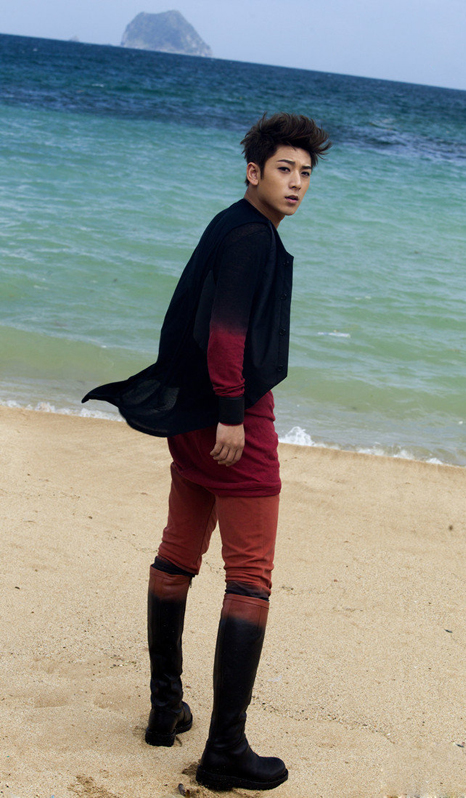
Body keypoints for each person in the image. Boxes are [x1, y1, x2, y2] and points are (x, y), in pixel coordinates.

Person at [82, 112, 331, 791]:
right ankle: (225, 749)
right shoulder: (252, 237)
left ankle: (166, 709)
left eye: (306, 173)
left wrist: (213, 408)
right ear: (254, 171)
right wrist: (231, 412)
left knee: (178, 553)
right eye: (284, 169)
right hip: (228, 417)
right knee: (249, 576)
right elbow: (226, 333)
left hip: (190, 414)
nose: (297, 183)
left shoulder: (231, 223)